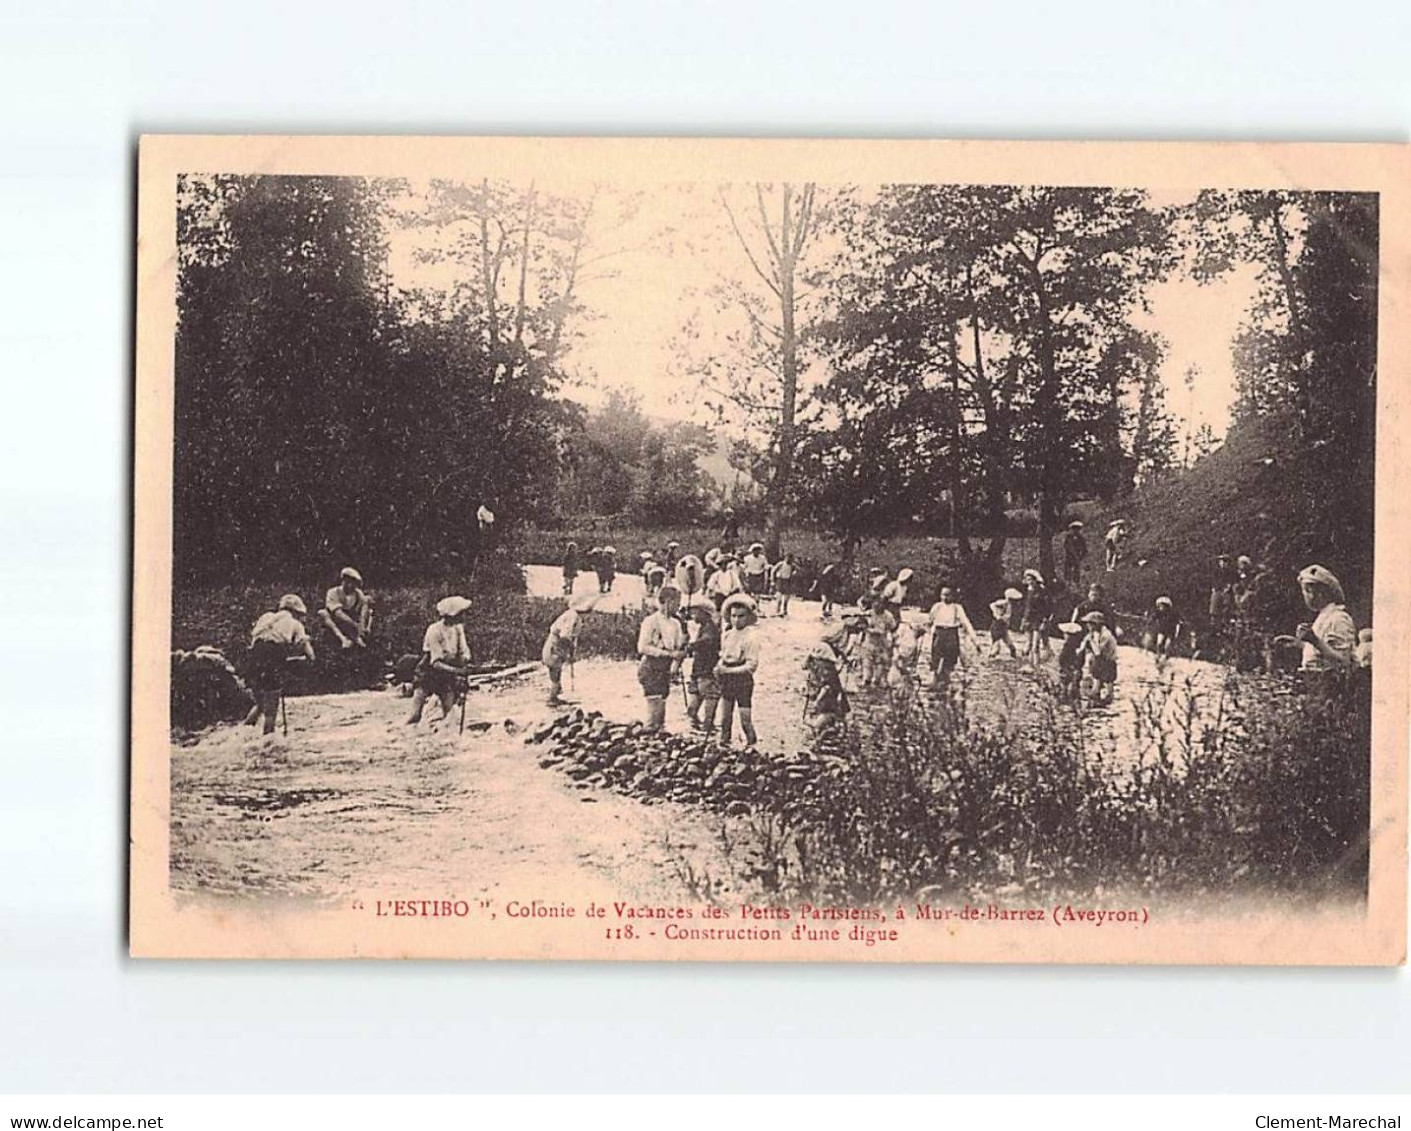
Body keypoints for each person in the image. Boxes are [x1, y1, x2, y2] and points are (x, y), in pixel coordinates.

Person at [243, 594, 315, 735]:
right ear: (295, 612)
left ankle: (242, 734)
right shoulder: (295, 624)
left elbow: (256, 639)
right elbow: (306, 649)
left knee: (261, 705)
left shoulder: (265, 617)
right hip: (272, 659)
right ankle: (267, 743)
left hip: (252, 658)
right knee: (271, 712)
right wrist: (308, 658)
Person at [407, 596, 473, 725]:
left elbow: (463, 650)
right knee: (415, 715)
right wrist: (458, 671)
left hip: (447, 675)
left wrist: (464, 662)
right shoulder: (434, 630)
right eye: (461, 613)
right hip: (428, 673)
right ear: (452, 615)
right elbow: (435, 662)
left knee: (450, 714)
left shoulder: (458, 629)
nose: (464, 616)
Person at [636, 583, 688, 732]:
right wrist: (669, 654)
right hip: (650, 667)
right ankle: (650, 736)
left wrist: (683, 646)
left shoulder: (676, 623)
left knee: (662, 706)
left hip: (665, 668)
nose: (678, 606)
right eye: (676, 603)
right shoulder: (651, 621)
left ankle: (658, 735)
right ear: (667, 601)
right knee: (655, 705)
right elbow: (643, 647)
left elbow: (678, 647)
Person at [716, 594, 761, 746]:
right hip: (727, 677)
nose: (736, 620)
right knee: (725, 718)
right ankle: (724, 746)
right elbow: (723, 654)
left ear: (748, 617)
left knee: (745, 720)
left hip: (742, 680)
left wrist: (727, 671)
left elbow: (751, 666)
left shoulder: (752, 636)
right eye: (733, 616)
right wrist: (719, 666)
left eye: (741, 616)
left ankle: (752, 746)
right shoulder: (727, 634)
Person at [1294, 564, 1356, 674]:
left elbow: (1344, 661)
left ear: (1321, 593)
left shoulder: (1338, 618)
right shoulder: (1324, 617)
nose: (1305, 596)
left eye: (1307, 591)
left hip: (1331, 686)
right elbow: (1321, 652)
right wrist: (1300, 643)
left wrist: (1315, 641)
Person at [542, 594, 596, 706]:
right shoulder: (573, 617)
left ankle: (555, 695)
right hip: (555, 646)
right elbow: (565, 637)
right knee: (555, 670)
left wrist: (570, 652)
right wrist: (568, 653)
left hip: (556, 645)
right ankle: (552, 698)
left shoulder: (574, 616)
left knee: (556, 671)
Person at [927, 586, 980, 686]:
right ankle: (935, 680)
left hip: (951, 634)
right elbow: (929, 621)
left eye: (948, 595)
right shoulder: (937, 606)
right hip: (939, 633)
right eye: (943, 595)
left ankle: (946, 681)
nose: (945, 597)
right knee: (936, 659)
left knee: (950, 660)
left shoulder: (957, 608)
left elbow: (966, 623)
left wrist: (975, 641)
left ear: (953, 596)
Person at [684, 603, 722, 735]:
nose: (694, 615)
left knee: (709, 698)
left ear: (705, 613)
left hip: (707, 670)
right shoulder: (705, 627)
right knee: (695, 705)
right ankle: (703, 726)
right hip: (700, 669)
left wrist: (691, 646)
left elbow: (707, 641)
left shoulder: (710, 629)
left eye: (697, 612)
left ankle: (706, 726)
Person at [803, 640, 850, 739]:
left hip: (830, 696)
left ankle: (823, 731)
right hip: (829, 694)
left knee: (826, 714)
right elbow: (805, 666)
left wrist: (817, 700)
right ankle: (823, 730)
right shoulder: (823, 665)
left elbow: (827, 686)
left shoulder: (826, 668)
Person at [320, 566, 373, 650]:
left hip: (353, 616)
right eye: (347, 582)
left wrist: (362, 624)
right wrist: (354, 624)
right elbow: (337, 613)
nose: (350, 585)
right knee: (323, 613)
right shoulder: (333, 592)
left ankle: (361, 635)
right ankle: (343, 638)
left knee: (369, 607)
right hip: (337, 619)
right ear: (343, 581)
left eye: (353, 583)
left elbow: (364, 607)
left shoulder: (358, 593)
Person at [1080, 610, 1119, 705]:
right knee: (1096, 672)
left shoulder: (1105, 635)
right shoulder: (1095, 633)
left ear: (1095, 624)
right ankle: (1096, 692)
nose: (1088, 626)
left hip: (1108, 660)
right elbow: (1084, 645)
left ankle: (1107, 695)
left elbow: (1098, 652)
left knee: (1108, 679)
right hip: (1102, 660)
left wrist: (1091, 641)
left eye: (1089, 624)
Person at [859, 599, 898, 689]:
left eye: (879, 605)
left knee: (880, 662)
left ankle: (877, 680)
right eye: (875, 604)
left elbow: (893, 628)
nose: (877, 606)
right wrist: (865, 629)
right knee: (866, 661)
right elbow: (862, 626)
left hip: (881, 642)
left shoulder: (888, 616)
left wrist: (893, 642)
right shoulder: (868, 614)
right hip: (869, 641)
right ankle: (866, 680)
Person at [1019, 570, 1053, 662]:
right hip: (1029, 618)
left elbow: (1048, 607)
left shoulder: (1042, 591)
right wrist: (1024, 619)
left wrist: (1045, 620)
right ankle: (1029, 662)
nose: (1029, 582)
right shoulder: (1028, 590)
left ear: (1035, 580)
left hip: (1038, 619)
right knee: (1029, 643)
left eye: (1031, 580)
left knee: (1036, 644)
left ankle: (1036, 663)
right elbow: (1027, 607)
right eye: (1028, 579)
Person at [988, 588, 1023, 659]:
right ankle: (991, 658)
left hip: (1004, 627)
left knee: (1011, 646)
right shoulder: (1004, 602)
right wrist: (997, 615)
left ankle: (1014, 657)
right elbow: (992, 605)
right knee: (996, 647)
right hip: (997, 625)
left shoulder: (1010, 605)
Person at [1056, 622, 1085, 703]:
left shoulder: (1067, 647)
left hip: (1067, 670)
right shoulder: (1079, 646)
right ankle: (1076, 703)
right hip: (1076, 670)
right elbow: (1081, 660)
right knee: (1075, 688)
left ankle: (1066, 701)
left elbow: (1062, 659)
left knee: (1065, 687)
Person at [1149, 595, 1179, 662]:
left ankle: (1166, 656)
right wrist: (1150, 622)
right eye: (1159, 606)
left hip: (1170, 631)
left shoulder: (1172, 614)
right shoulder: (1158, 613)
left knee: (1167, 646)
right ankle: (1158, 655)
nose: (1160, 607)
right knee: (1159, 643)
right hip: (1162, 630)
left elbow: (1177, 623)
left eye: (1162, 606)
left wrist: (1176, 632)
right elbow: (1152, 618)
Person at [771, 552, 797, 616]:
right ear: (785, 558)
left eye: (791, 559)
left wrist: (794, 574)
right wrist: (772, 581)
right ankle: (778, 610)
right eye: (788, 558)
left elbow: (796, 571)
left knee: (786, 598)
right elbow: (773, 571)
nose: (789, 560)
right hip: (780, 580)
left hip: (787, 581)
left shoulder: (792, 565)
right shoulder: (780, 564)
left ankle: (785, 610)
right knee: (779, 597)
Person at [1063, 521, 1088, 585]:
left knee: (1076, 571)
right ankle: (1068, 583)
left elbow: (1084, 549)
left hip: (1077, 557)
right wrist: (1072, 553)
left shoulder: (1081, 538)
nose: (1076, 530)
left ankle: (1076, 583)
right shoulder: (1068, 537)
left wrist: (1080, 557)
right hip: (1069, 556)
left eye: (1078, 529)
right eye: (1074, 528)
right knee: (1068, 571)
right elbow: (1066, 546)